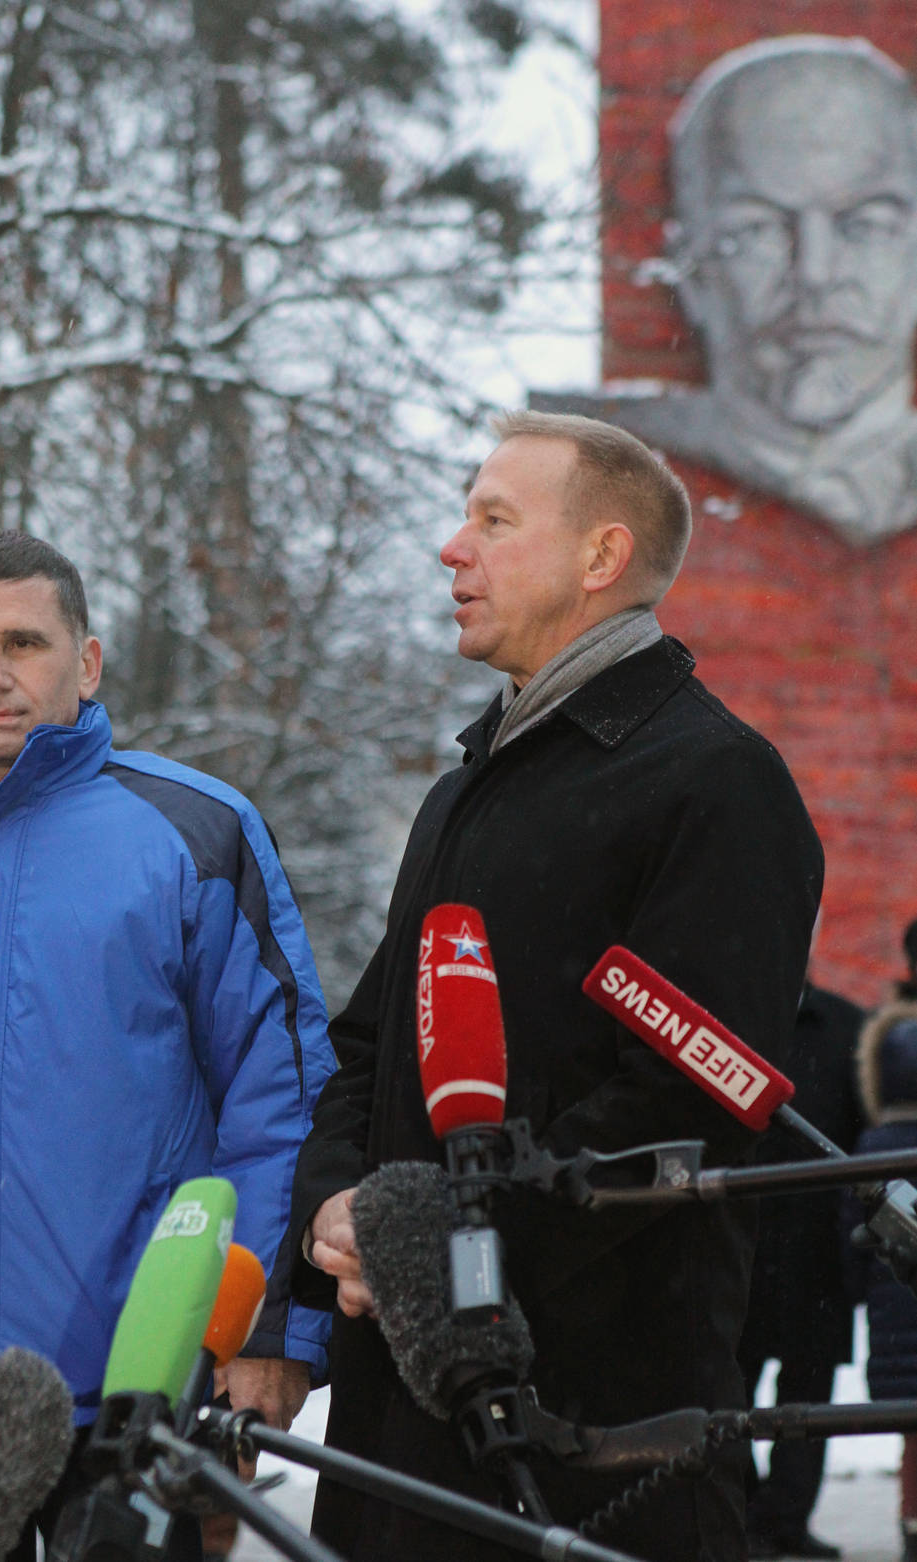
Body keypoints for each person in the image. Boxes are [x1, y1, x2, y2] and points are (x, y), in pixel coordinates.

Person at [289, 410, 824, 1562]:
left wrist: (432, 1248)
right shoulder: (464, 786)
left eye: (494, 519)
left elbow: (689, 1100)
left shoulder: (717, 780)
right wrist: (335, 1210)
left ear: (601, 556)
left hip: (593, 1439)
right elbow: (368, 1048)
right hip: (402, 1419)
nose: (452, 547)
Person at [0, 530, 335, 1560]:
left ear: (85, 662)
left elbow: (279, 1099)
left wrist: (266, 1331)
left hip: (136, 1388)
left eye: (24, 642)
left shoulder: (195, 831)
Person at [537, 35, 917, 545]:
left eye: (866, 226)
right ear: (691, 272)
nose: (814, 273)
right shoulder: (564, 459)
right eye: (757, 230)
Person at [738, 974, 865, 1560]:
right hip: (742, 1246)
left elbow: (861, 1136)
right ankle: (746, 1514)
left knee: (810, 1393)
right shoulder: (736, 1015)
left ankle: (784, 1518)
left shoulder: (845, 1025)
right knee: (729, 1386)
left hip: (817, 1251)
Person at [841, 930, 917, 1562]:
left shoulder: (872, 1148)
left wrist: (852, 1289)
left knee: (913, 1427)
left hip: (894, 1306)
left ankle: (913, 1522)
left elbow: (853, 1231)